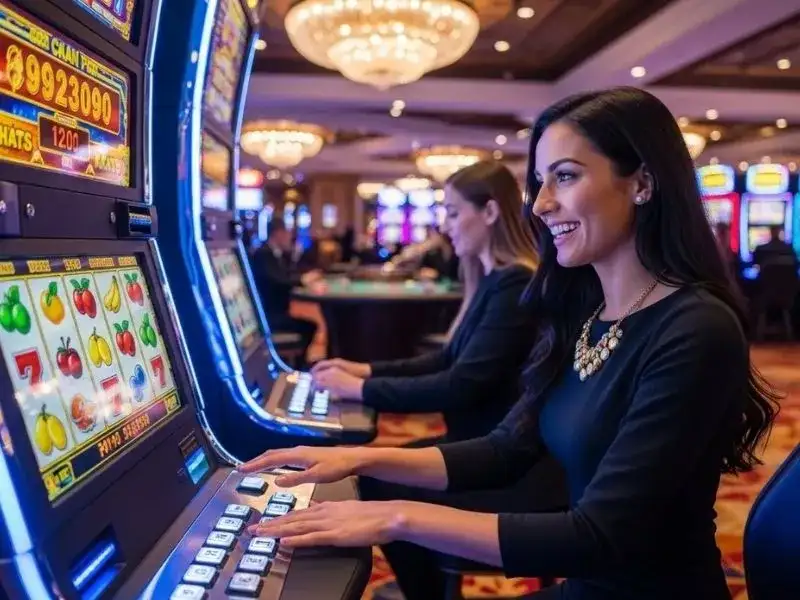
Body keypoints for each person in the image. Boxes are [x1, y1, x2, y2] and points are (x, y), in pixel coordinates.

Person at [239, 88, 780, 600]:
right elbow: (506, 449)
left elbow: (600, 537)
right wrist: (360, 460)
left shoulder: (696, 328)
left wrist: (395, 517)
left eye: (565, 177)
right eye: (540, 182)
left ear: (642, 182)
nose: (540, 205)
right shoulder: (586, 313)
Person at [312, 160, 541, 444]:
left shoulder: (515, 283)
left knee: (355, 474)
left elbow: (460, 386)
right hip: (469, 442)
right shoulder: (491, 279)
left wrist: (360, 389)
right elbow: (446, 360)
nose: (444, 226)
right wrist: (365, 371)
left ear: (491, 212)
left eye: (453, 214)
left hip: (490, 453)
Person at [250, 218, 322, 366]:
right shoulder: (263, 254)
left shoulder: (275, 253)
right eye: (287, 232)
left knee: (309, 326)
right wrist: (303, 280)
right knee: (310, 327)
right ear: (278, 234)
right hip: (268, 317)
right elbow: (278, 281)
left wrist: (304, 279)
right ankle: (297, 367)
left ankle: (297, 366)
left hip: (276, 313)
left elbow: (287, 276)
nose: (290, 236)